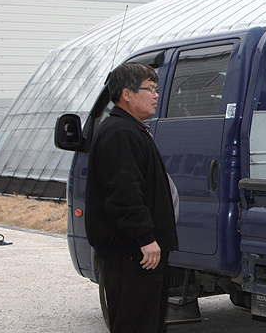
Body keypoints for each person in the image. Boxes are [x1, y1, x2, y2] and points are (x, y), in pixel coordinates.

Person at [85, 62, 178, 332]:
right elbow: (124, 194)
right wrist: (145, 238)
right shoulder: (119, 133)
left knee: (147, 320)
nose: (156, 95)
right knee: (136, 323)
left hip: (136, 250)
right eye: (150, 89)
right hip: (132, 252)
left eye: (156, 89)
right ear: (127, 94)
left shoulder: (130, 129)